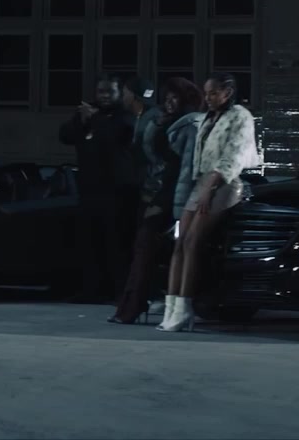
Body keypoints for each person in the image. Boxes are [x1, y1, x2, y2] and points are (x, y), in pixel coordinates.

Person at [159, 73, 259, 332]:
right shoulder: (209, 117)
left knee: (193, 242)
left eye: (214, 93)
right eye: (206, 93)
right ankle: (172, 306)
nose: (208, 98)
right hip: (201, 182)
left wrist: (211, 187)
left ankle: (184, 307)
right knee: (180, 243)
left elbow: (233, 155)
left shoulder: (240, 116)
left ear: (228, 92)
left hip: (224, 183)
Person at [109, 77, 202, 324]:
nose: (170, 102)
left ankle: (134, 305)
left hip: (169, 195)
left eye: (175, 98)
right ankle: (133, 303)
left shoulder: (189, 125)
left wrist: (169, 204)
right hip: (150, 191)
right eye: (167, 97)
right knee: (142, 249)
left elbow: (184, 170)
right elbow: (147, 157)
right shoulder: (160, 120)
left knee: (146, 248)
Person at [58, 73, 137, 303]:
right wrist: (82, 121)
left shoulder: (125, 116)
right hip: (89, 189)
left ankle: (119, 291)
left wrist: (96, 119)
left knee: (116, 242)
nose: (104, 96)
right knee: (89, 242)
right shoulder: (87, 113)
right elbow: (65, 136)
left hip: (116, 191)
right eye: (101, 91)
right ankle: (91, 290)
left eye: (109, 92)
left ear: (119, 93)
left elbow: (115, 137)